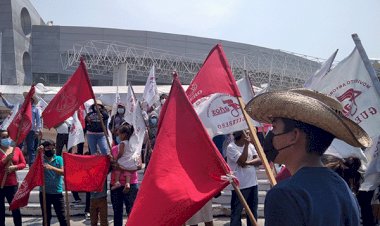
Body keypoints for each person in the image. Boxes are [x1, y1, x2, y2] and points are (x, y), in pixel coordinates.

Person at [245, 89, 372, 226]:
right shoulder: (343, 187)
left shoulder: (285, 195)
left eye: (274, 127)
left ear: (294, 135)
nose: (270, 136)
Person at [226, 130, 262, 226]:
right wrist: (246, 146)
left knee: (252, 212)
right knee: (236, 214)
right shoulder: (231, 147)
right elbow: (242, 161)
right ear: (241, 135)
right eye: (246, 132)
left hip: (253, 183)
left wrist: (248, 163)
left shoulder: (250, 145)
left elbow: (259, 159)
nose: (249, 134)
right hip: (240, 186)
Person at [0, 92, 42, 166]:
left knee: (30, 148)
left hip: (30, 131)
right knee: (18, 146)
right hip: (20, 131)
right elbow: (9, 105)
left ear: (32, 100)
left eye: (28, 98)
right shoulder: (20, 106)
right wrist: (2, 97)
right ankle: (17, 161)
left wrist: (37, 131)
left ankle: (31, 164)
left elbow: (38, 121)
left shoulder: (35, 109)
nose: (26, 99)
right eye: (26, 98)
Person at [110, 145, 141, 226]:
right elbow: (111, 166)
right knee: (117, 212)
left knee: (131, 212)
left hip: (131, 184)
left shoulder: (135, 149)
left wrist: (124, 168)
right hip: (116, 185)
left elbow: (139, 166)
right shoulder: (114, 149)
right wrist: (112, 162)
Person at [39, 139, 67, 226]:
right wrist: (38, 152)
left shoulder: (59, 159)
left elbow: (63, 172)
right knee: (46, 217)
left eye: (52, 147)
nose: (50, 149)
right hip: (44, 193)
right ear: (44, 149)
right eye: (48, 148)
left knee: (62, 217)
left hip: (57, 192)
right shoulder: (41, 159)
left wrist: (51, 168)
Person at [0, 130, 25, 226]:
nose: (5, 139)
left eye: (7, 136)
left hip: (12, 184)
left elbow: (23, 164)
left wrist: (14, 167)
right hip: (0, 184)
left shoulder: (16, 149)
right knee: (0, 210)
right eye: (3, 137)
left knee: (15, 209)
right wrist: (4, 160)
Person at [111, 124, 139, 192]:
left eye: (119, 134)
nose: (119, 137)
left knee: (118, 168)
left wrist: (116, 159)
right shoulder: (132, 143)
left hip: (124, 160)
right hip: (130, 161)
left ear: (123, 135)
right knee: (127, 172)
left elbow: (120, 153)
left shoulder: (122, 143)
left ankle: (117, 182)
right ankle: (127, 183)